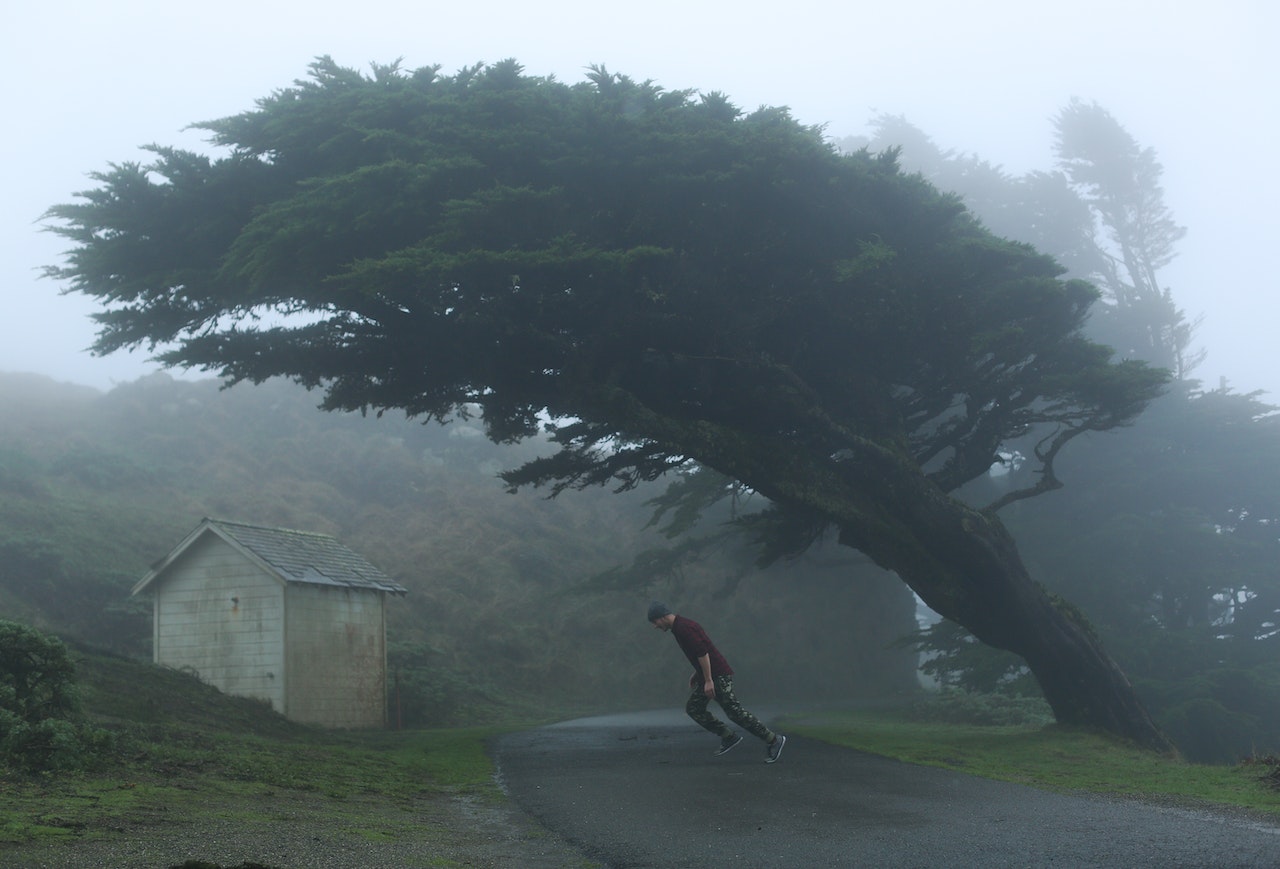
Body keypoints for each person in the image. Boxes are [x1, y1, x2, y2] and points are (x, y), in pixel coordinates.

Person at [647, 601, 786, 763]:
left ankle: (774, 740)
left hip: (717, 675)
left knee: (735, 713)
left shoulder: (683, 628)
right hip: (710, 674)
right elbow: (703, 651)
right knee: (694, 708)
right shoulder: (681, 626)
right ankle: (729, 736)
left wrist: (707, 680)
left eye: (654, 622)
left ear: (662, 617)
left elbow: (703, 652)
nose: (655, 626)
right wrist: (697, 673)